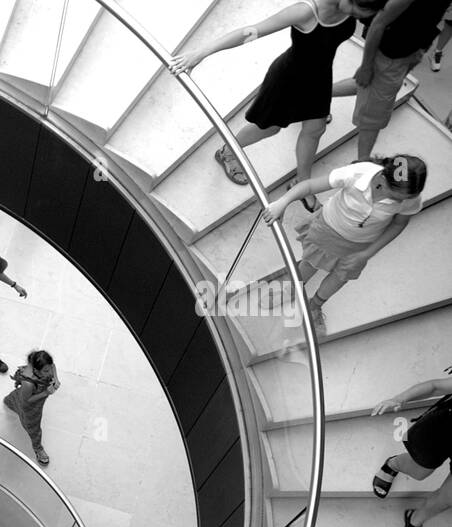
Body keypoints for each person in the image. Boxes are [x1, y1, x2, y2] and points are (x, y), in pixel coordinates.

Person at [171, 0, 386, 212]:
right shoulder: (306, 11)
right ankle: (227, 151)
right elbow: (251, 31)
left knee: (315, 129)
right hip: (288, 79)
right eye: (361, 9)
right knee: (269, 128)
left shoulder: (350, 11)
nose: (362, 17)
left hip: (319, 76)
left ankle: (303, 185)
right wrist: (200, 53)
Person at [262, 154, 426, 329]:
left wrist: (366, 254)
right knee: (309, 264)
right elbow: (310, 185)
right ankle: (290, 290)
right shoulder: (357, 173)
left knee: (340, 277)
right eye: (397, 197)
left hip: (360, 245)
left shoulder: (409, 198)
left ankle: (315, 306)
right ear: (383, 179)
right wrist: (283, 202)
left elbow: (399, 224)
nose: (401, 201)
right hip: (328, 230)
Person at [330, 0, 452, 160]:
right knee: (373, 118)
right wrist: (366, 66)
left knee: (368, 87)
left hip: (412, 48)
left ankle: (310, 94)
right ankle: (362, 163)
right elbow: (378, 24)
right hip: (390, 56)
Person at [370, 372, 452, 527]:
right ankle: (394, 464)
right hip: (445, 431)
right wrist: (399, 399)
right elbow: (435, 386)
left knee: (448, 497)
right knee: (420, 471)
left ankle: (415, 520)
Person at [4, 350, 61, 466]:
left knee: (15, 398)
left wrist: (56, 378)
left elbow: (53, 366)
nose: (50, 372)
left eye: (49, 369)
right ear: (36, 370)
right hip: (31, 405)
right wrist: (46, 392)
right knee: (33, 427)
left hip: (29, 393)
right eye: (46, 371)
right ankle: (38, 448)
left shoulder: (42, 365)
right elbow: (27, 401)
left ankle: (9, 402)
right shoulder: (28, 383)